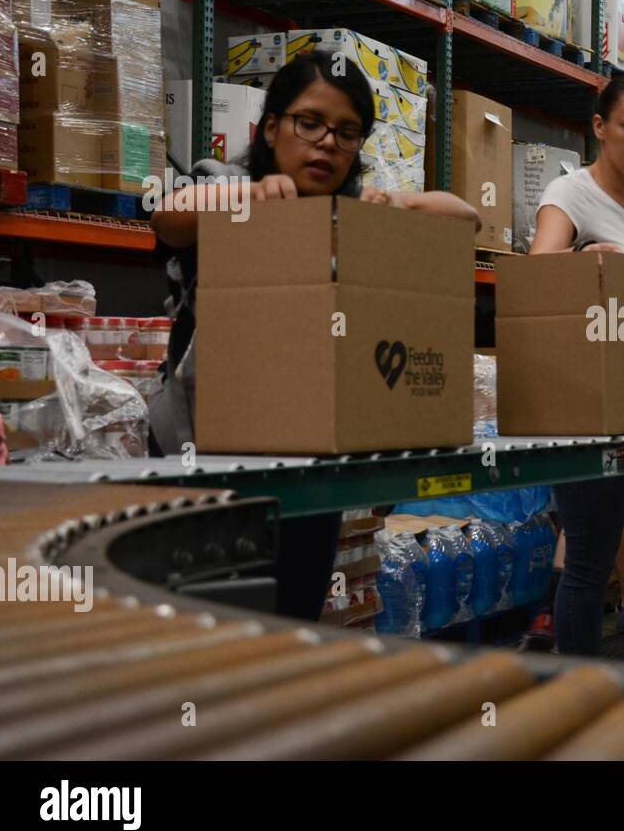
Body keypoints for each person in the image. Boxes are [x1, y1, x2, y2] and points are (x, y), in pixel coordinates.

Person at [150, 50, 478, 620]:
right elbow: (167, 214)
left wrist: (396, 202)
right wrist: (251, 197)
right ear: (272, 127)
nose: (327, 142)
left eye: (347, 133)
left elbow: (467, 218)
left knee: (293, 616)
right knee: (213, 622)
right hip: (204, 448)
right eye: (309, 123)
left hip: (306, 458)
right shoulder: (225, 185)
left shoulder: (347, 216)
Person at [528, 74, 624, 660]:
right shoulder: (569, 195)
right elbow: (537, 273)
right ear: (598, 127)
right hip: (590, 407)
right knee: (591, 558)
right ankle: (579, 694)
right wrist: (578, 258)